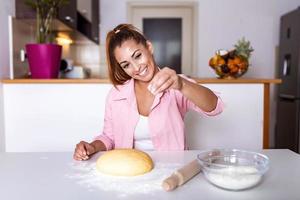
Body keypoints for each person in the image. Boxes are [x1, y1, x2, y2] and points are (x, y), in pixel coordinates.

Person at [73, 24, 223, 161]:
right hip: (129, 170)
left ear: (149, 47)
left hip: (172, 169)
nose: (136, 68)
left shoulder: (176, 84)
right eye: (126, 65)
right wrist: (92, 147)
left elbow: (215, 107)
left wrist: (182, 84)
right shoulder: (116, 95)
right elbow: (109, 137)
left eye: (137, 56)